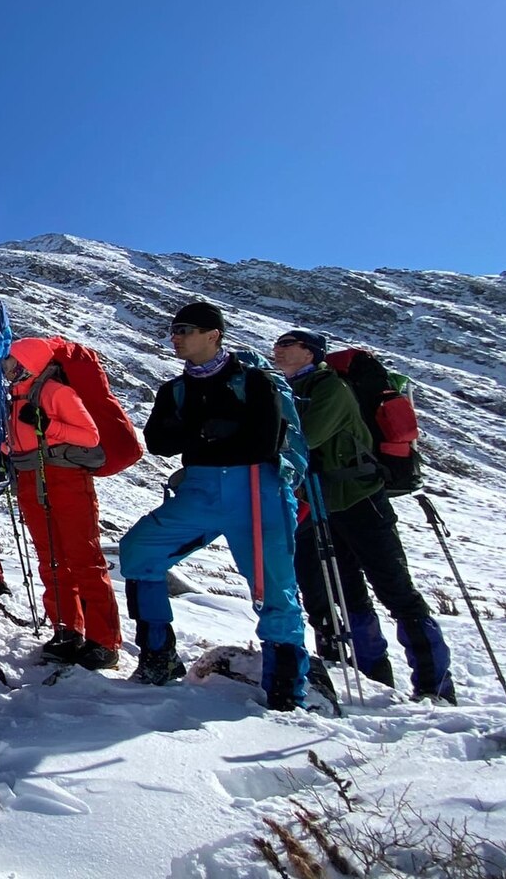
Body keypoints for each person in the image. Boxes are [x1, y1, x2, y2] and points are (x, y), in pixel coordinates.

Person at [118, 302, 311, 710]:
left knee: (273, 585)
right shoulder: (174, 389)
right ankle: (158, 656)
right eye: (174, 330)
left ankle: (285, 687)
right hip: (202, 490)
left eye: (185, 330)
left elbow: (262, 442)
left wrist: (195, 435)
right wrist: (211, 432)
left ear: (213, 335)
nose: (176, 337)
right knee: (139, 550)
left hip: (258, 489)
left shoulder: (255, 381)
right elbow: (158, 444)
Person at [272, 329, 456, 702]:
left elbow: (306, 436)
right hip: (319, 502)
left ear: (310, 353)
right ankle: (372, 677)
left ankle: (434, 684)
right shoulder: (289, 389)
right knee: (344, 595)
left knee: (395, 590)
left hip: (358, 498)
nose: (278, 350)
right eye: (278, 345)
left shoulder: (331, 389)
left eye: (287, 345)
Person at [3, 337, 122, 670]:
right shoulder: (16, 396)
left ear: (28, 362)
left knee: (83, 557)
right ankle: (67, 629)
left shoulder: (56, 392)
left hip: (65, 478)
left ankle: (104, 640)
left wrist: (48, 426)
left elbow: (89, 436)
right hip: (32, 478)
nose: (6, 369)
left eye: (11, 363)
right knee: (51, 558)